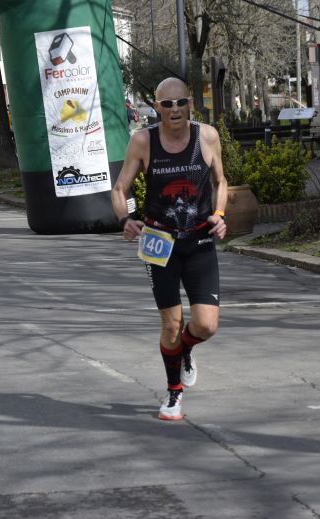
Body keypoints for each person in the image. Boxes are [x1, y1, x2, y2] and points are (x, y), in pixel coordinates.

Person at [111, 77, 228, 421]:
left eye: (180, 102)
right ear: (156, 107)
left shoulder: (207, 136)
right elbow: (119, 189)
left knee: (206, 326)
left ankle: (185, 350)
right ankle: (174, 392)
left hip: (199, 238)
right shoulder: (143, 141)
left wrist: (220, 214)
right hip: (158, 240)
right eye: (166, 104)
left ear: (190, 103)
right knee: (172, 324)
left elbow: (221, 182)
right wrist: (125, 219)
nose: (174, 109)